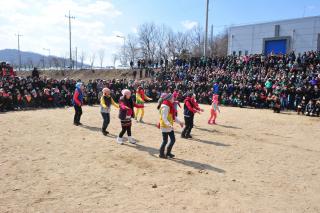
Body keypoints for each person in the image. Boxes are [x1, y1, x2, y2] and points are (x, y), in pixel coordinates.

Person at [157, 93, 183, 159]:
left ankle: (168, 153)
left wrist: (180, 122)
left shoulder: (170, 105)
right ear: (169, 99)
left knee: (173, 140)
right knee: (165, 141)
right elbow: (164, 118)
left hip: (169, 126)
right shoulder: (165, 106)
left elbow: (173, 117)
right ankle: (161, 154)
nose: (174, 99)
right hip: (165, 126)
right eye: (173, 98)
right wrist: (169, 125)